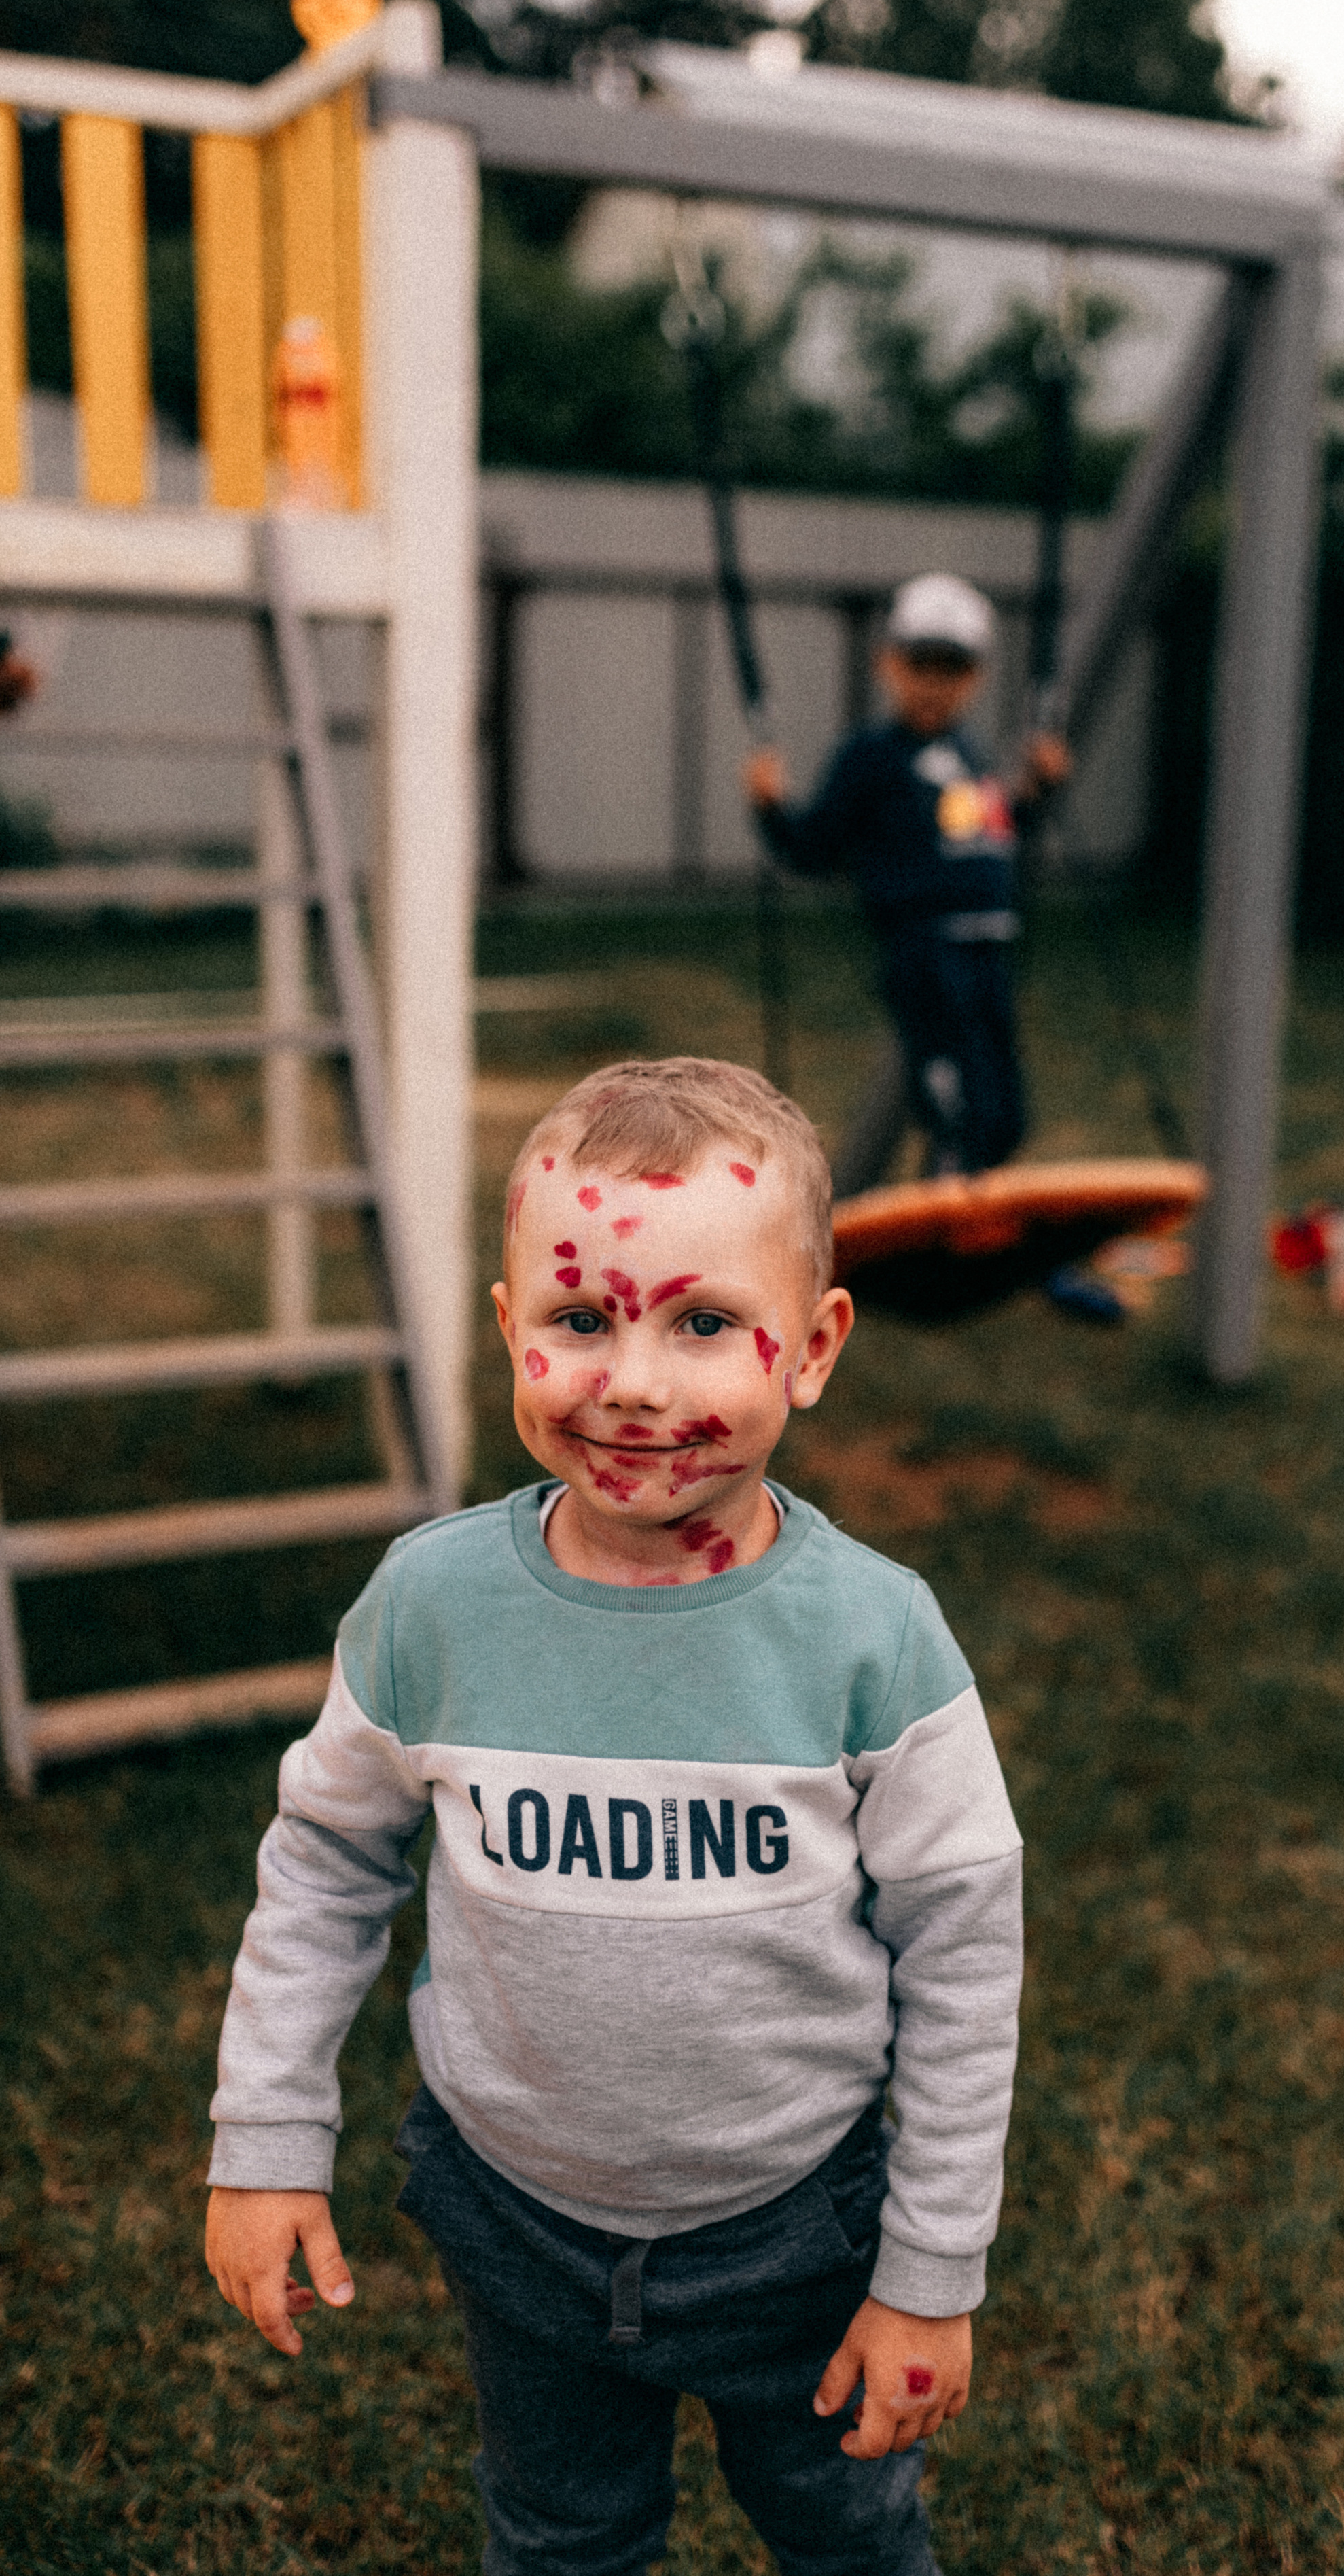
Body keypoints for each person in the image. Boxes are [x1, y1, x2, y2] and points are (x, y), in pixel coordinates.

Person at [204, 1056, 1023, 2576]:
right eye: (581, 1320)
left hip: (797, 2228)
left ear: (813, 1349)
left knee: (843, 2526)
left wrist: (928, 2269)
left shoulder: (873, 1641)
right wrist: (266, 2139)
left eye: (703, 1322)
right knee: (561, 2535)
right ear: (510, 1333)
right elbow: (323, 1866)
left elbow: (962, 1959)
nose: (634, 1383)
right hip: (514, 2217)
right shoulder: (430, 1611)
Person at [743, 572, 1068, 1183]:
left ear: (978, 675)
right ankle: (944, 1232)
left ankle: (967, 1223)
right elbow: (812, 849)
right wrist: (770, 808)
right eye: (921, 665)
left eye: (953, 668)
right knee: (957, 1115)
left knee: (1004, 1119)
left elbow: (981, 839)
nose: (935, 684)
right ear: (888, 665)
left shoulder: (970, 756)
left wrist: (1037, 789)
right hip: (926, 952)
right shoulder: (872, 757)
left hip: (988, 948)